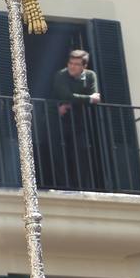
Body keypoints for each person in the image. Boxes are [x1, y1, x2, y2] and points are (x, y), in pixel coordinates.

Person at [51, 49, 102, 190]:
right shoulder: (61, 75)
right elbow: (67, 95)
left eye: (76, 64)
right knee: (59, 152)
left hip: (80, 120)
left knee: (82, 151)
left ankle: (82, 186)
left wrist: (76, 100)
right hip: (57, 119)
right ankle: (64, 185)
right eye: (70, 63)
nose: (72, 66)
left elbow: (95, 96)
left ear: (84, 67)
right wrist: (87, 99)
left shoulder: (91, 75)